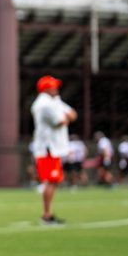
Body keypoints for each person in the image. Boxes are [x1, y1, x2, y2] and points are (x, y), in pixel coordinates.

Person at [30, 75, 75, 225]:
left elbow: (72, 114)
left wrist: (66, 117)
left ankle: (47, 213)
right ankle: (46, 215)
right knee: (51, 180)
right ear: (46, 88)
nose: (56, 88)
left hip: (54, 148)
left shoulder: (54, 101)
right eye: (53, 86)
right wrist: (66, 117)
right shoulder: (44, 104)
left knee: (54, 180)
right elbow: (61, 120)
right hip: (48, 148)